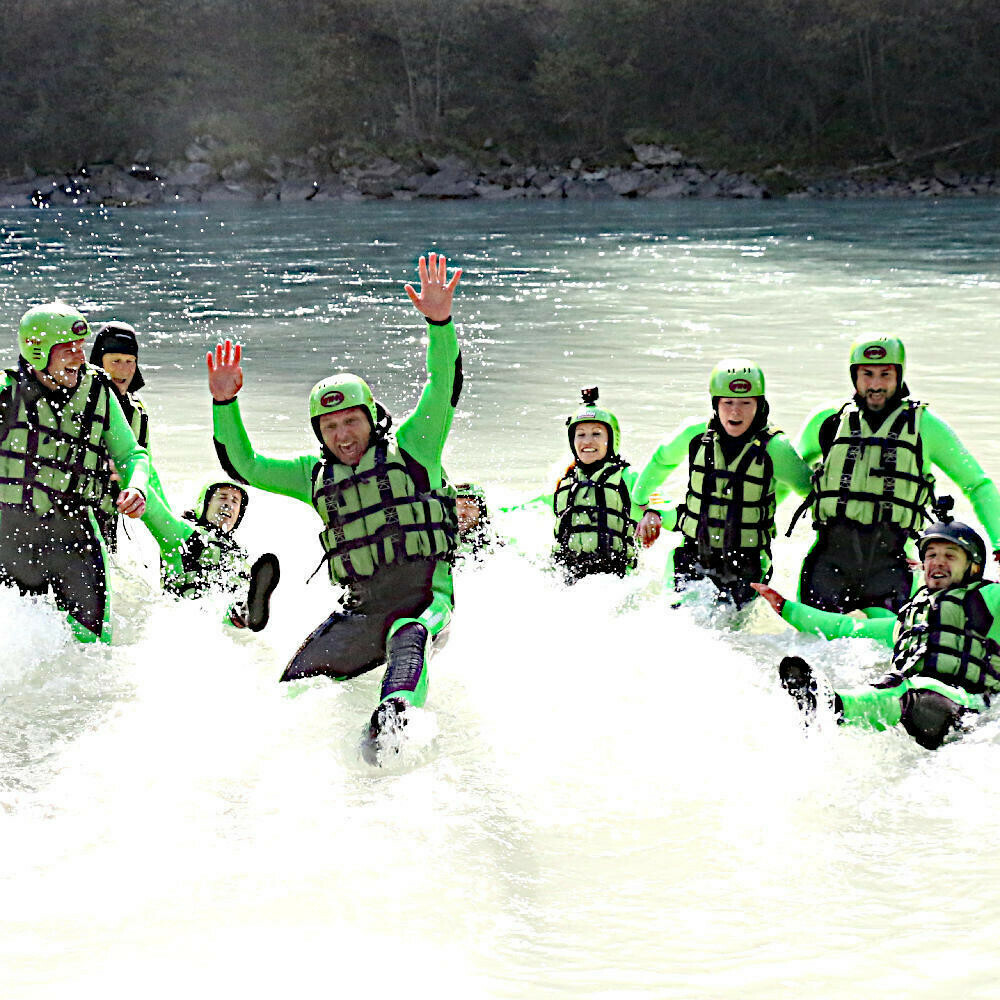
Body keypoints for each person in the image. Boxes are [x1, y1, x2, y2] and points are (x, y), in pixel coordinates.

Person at [207, 252, 462, 752]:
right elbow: (245, 465)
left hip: (428, 603)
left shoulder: (415, 447)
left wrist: (439, 324)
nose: (343, 434)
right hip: (363, 612)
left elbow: (443, 383)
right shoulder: (313, 475)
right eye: (330, 426)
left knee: (410, 634)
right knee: (289, 697)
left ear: (372, 417)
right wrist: (225, 404)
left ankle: (394, 723)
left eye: (351, 421)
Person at [793, 336, 1000, 614]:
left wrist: (999, 541)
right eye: (867, 374)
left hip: (890, 564)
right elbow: (785, 477)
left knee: (886, 650)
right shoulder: (827, 421)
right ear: (854, 375)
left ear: (899, 375)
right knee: (808, 648)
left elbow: (976, 484)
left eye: (885, 375)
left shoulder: (926, 427)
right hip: (828, 563)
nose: (876, 385)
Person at [752, 520, 1000, 750]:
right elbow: (847, 629)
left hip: (970, 707)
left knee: (906, 689)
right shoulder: (910, 617)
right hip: (917, 707)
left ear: (974, 567)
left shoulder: (989, 598)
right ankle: (831, 711)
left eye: (950, 556)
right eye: (931, 555)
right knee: (894, 684)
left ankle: (834, 707)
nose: (938, 561)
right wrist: (787, 608)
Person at [0, 301, 149, 642]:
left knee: (95, 647)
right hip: (11, 536)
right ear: (38, 351)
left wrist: (137, 488)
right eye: (67, 350)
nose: (80, 358)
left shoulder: (98, 390)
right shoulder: (5, 393)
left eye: (81, 348)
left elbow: (131, 455)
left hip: (76, 534)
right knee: (18, 643)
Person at [631, 359, 811, 608]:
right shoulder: (693, 435)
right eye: (728, 403)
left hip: (747, 562)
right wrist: (641, 501)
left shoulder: (776, 449)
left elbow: (809, 492)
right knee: (673, 620)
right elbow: (662, 462)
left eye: (746, 403)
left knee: (729, 636)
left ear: (760, 404)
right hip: (692, 553)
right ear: (715, 403)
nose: (735, 412)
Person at [551, 387, 661, 584]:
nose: (588, 441)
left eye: (596, 434)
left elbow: (658, 500)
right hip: (570, 576)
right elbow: (539, 504)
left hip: (616, 577)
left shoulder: (627, 477)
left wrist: (653, 513)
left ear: (611, 439)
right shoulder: (565, 480)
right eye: (581, 434)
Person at [143, 477, 280, 631]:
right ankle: (240, 614)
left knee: (240, 592)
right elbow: (154, 507)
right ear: (204, 503)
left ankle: (245, 611)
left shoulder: (239, 554)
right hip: (186, 619)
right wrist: (133, 479)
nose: (228, 504)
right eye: (222, 497)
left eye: (235, 501)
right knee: (211, 609)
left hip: (229, 628)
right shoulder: (181, 535)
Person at [89, 321, 150, 551]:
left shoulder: (138, 411)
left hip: (112, 510)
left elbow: (145, 464)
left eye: (130, 362)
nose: (123, 370)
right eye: (115, 361)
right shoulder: (82, 402)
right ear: (99, 363)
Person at [453, 481, 496, 560]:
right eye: (454, 505)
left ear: (481, 511)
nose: (460, 513)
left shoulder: (496, 545)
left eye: (469, 506)